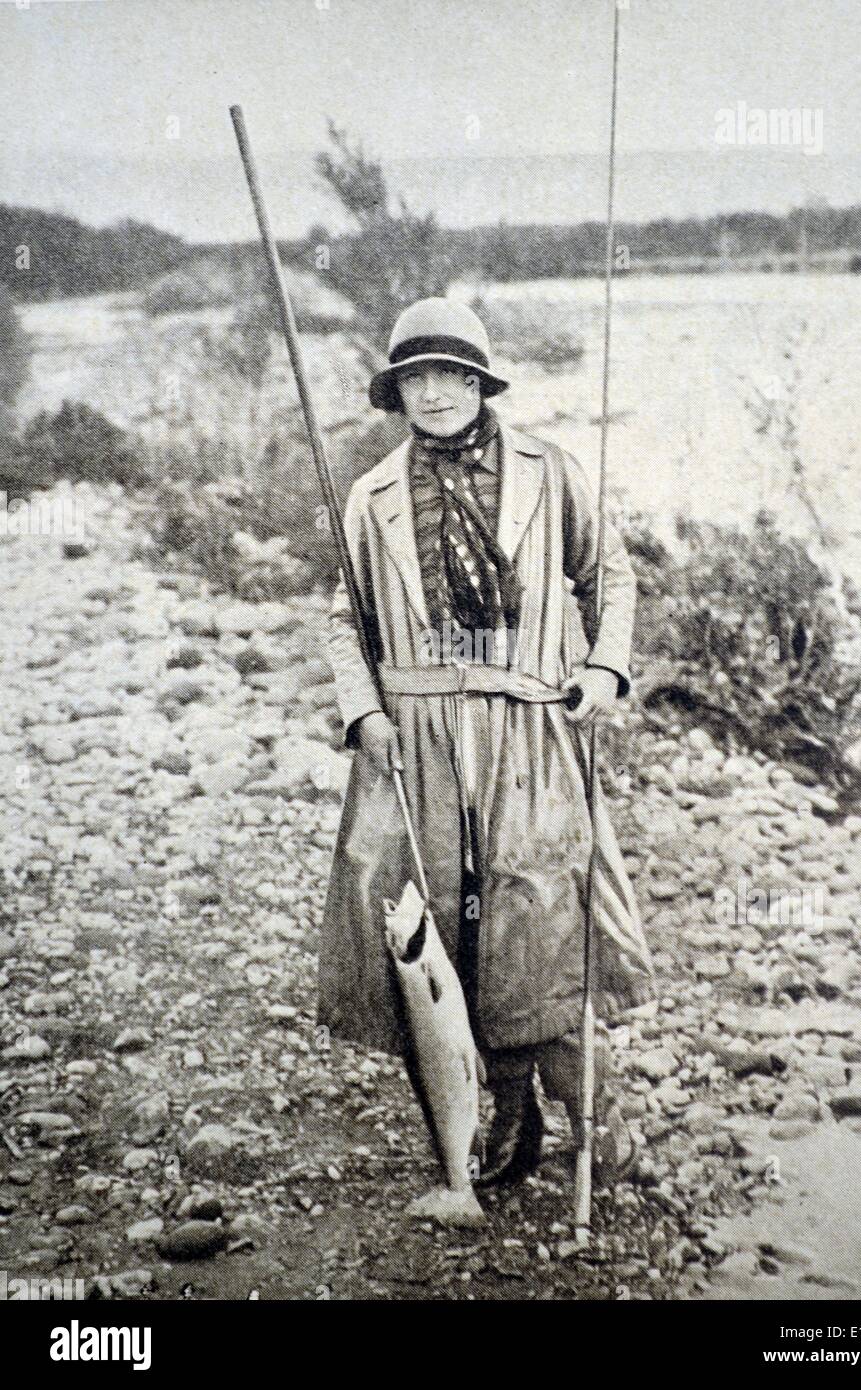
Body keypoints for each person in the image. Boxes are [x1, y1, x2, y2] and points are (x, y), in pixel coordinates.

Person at [319, 297, 654, 1193]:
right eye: (416, 378)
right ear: (398, 393)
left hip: (532, 726)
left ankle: (596, 1113)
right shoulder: (370, 496)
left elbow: (609, 576)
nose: (434, 394)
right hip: (418, 737)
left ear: (479, 383)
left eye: (451, 375)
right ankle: (505, 1113)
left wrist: (605, 671)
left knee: (540, 916)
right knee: (446, 925)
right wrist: (367, 716)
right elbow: (344, 624)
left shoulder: (552, 472)